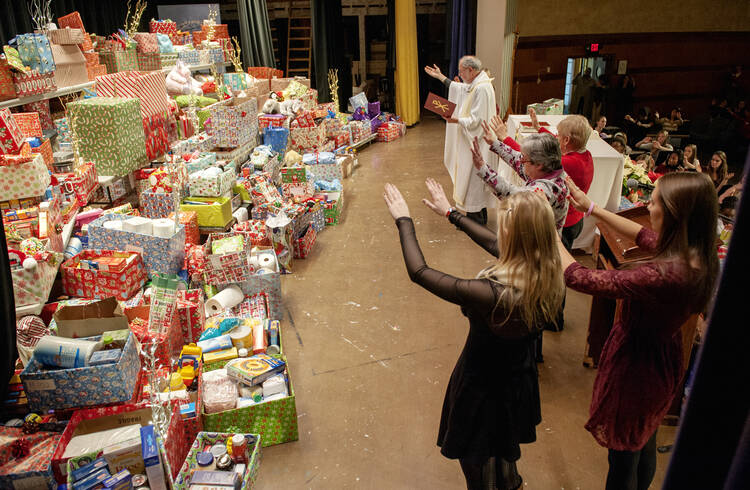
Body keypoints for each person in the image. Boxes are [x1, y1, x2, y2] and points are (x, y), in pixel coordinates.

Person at [383, 180, 564, 490]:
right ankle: (509, 481)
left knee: (473, 457)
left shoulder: (490, 295)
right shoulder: (548, 271)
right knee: (503, 444)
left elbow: (420, 272)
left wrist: (404, 220)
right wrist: (452, 214)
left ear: (513, 235)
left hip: (481, 385)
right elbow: (498, 246)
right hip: (517, 379)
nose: (499, 231)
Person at [558, 172, 719, 490]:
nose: (647, 205)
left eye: (654, 201)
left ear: (675, 213)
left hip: (636, 370)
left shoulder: (664, 275)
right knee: (642, 440)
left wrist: (549, 232)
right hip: (659, 362)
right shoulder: (695, 253)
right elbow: (644, 235)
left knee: (622, 460)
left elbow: (582, 279)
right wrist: (592, 208)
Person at [424, 56, 498, 225]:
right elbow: (462, 89)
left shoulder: (481, 88)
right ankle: (478, 216)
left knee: (474, 181)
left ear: (471, 70)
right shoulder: (478, 83)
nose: (459, 74)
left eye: (461, 70)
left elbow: (477, 122)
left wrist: (456, 120)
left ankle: (476, 224)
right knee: (474, 181)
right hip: (477, 143)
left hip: (477, 144)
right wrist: (441, 77)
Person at [472, 116, 569, 233]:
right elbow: (517, 160)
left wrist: (483, 169)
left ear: (539, 164)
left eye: (525, 159)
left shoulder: (546, 190)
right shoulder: (549, 169)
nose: (521, 162)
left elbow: (514, 196)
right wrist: (495, 143)